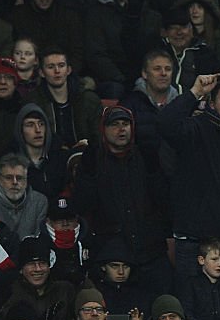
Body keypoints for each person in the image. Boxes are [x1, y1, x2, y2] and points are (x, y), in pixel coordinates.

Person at [159, 73, 220, 292]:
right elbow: (165, 124)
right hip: (197, 242)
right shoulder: (195, 129)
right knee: (192, 307)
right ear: (211, 104)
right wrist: (194, 93)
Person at [73, 104, 172, 296]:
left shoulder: (146, 155)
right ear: (104, 129)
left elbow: (164, 201)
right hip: (112, 258)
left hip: (150, 253)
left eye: (125, 123)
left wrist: (154, 171)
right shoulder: (93, 161)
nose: (121, 129)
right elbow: (82, 205)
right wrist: (88, 173)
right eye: (115, 124)